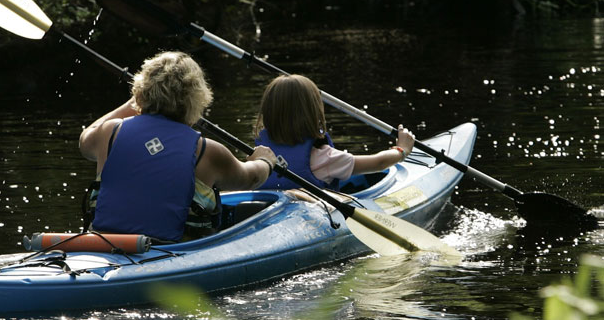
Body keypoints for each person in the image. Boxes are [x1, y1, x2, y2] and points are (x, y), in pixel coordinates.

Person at [79, 51, 276, 242]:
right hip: (173, 251)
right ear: (197, 100)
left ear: (140, 93)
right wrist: (264, 160)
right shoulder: (207, 151)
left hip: (104, 244)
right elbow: (250, 178)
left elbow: (85, 140)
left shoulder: (110, 133)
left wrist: (134, 102)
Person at [254, 74, 415, 191]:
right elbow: (378, 163)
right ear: (313, 114)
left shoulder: (258, 155)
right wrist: (402, 150)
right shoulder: (326, 158)